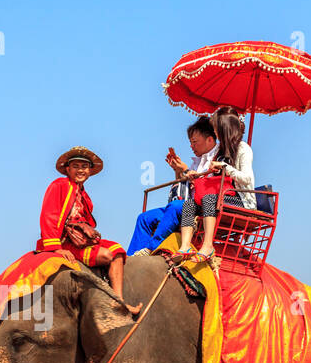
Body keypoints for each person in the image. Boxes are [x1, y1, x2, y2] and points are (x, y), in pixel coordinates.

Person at [37, 146, 141, 314]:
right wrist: (57, 247)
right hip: (66, 241)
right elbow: (49, 215)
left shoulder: (84, 195)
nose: (80, 170)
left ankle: (118, 301)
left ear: (90, 171)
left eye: (84, 167)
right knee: (107, 255)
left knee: (118, 250)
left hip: (82, 240)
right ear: (68, 169)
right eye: (76, 166)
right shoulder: (59, 185)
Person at [128, 117, 218, 255]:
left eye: (195, 142)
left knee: (175, 207)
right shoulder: (198, 161)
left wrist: (186, 170)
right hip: (186, 202)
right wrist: (178, 171)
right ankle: (131, 258)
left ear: (210, 140)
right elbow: (183, 187)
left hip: (202, 205)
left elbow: (208, 187)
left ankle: (151, 248)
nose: (191, 146)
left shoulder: (218, 158)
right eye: (190, 143)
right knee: (144, 218)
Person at [176, 109, 255, 259]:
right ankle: (185, 246)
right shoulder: (223, 151)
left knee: (210, 199)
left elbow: (247, 179)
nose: (214, 132)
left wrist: (225, 168)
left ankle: (208, 246)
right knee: (189, 205)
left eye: (216, 128)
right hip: (224, 197)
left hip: (242, 201)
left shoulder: (243, 148)